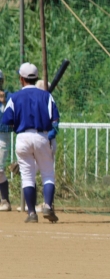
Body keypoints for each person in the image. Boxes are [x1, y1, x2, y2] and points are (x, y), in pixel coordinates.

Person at [0, 63, 60, 223]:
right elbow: (55, 119)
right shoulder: (46, 96)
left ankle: (32, 213)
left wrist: (18, 126)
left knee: (27, 177)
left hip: (22, 137)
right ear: (36, 77)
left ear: (21, 79)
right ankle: (48, 205)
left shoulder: (15, 97)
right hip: (42, 136)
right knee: (47, 174)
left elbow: (7, 120)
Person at [0, 70, 12, 211]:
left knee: (0, 169)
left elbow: (12, 114)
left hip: (2, 134)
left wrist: (4, 102)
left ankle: (5, 201)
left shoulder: (8, 96)